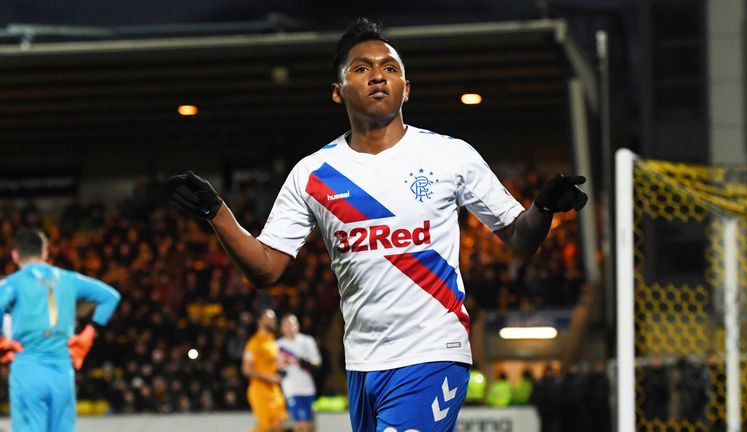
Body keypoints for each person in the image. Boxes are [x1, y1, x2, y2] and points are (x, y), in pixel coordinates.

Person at [168, 17, 587, 432]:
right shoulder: (314, 174)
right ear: (338, 92)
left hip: (432, 354)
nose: (378, 76)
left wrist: (543, 208)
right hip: (363, 365)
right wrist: (216, 212)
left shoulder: (450, 156)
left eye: (390, 68)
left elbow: (519, 237)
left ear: (407, 88)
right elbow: (266, 267)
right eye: (362, 68)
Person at [0, 228, 121, 432]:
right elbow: (110, 297)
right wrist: (88, 335)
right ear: (46, 253)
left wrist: (2, 340)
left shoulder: (13, 283)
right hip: (62, 371)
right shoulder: (69, 279)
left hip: (28, 368)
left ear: (15, 255)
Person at [242, 308, 287, 432]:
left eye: (274, 318)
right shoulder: (254, 343)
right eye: (269, 318)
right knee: (267, 428)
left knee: (279, 425)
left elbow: (270, 364)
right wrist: (269, 377)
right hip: (260, 389)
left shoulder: (272, 341)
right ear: (260, 321)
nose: (273, 321)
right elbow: (246, 369)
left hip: (274, 390)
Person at [277, 313, 322, 432]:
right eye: (286, 325)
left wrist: (306, 362)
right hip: (291, 388)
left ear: (297, 325)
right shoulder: (278, 345)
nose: (290, 328)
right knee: (300, 424)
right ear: (282, 328)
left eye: (292, 324)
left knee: (309, 424)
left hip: (307, 387)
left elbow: (317, 361)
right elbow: (274, 366)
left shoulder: (307, 340)